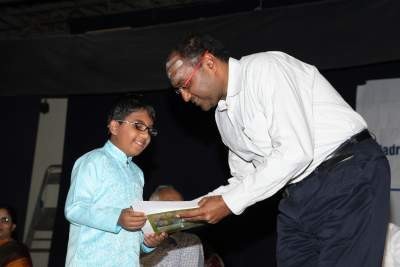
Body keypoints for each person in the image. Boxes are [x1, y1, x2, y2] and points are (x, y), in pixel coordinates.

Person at [165, 33, 391, 266]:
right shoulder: (223, 118)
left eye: (185, 83)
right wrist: (190, 211)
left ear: (209, 63)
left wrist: (228, 203)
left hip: (346, 173)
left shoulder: (265, 69)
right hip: (297, 195)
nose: (184, 96)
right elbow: (244, 179)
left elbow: (295, 153)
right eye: (177, 90)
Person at [65, 96, 167, 266]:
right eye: (139, 126)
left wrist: (147, 242)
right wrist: (117, 217)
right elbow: (74, 209)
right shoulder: (93, 160)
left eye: (149, 130)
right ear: (114, 126)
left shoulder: (137, 173)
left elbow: (132, 227)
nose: (145, 135)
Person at [140, 185, 204, 267]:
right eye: (170, 206)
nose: (176, 213)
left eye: (180, 207)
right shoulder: (136, 238)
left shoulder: (189, 242)